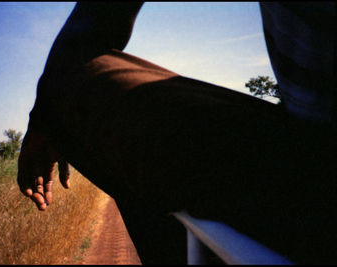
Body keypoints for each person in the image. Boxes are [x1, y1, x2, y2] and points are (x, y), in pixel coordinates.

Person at [17, 2, 336, 264]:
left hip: (310, 163)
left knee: (65, 83)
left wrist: (52, 111)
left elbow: (89, 30)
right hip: (306, 156)